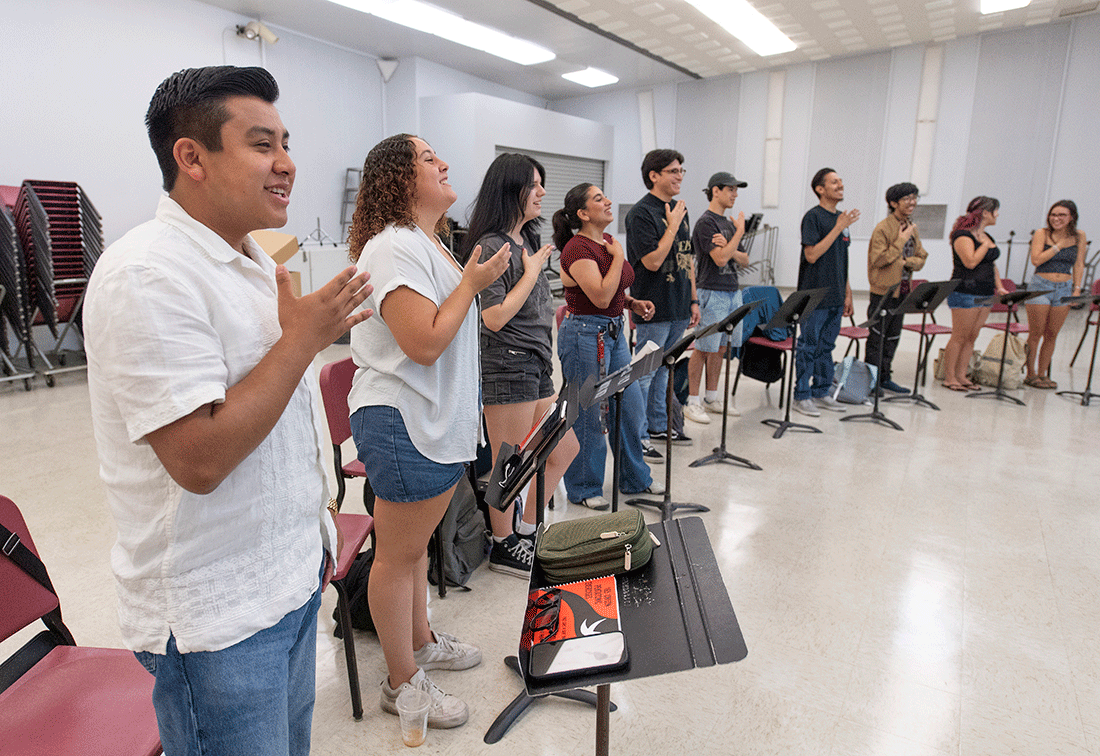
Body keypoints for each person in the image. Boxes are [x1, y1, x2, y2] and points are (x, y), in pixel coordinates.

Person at [83, 66, 373, 756]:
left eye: (286, 143)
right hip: (221, 617)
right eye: (262, 145)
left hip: (290, 577)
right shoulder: (147, 273)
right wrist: (303, 340)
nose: (287, 164)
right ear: (192, 157)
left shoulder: (252, 262)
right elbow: (200, 460)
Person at [345, 134, 510, 727]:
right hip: (403, 418)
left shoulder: (427, 242)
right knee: (396, 557)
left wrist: (469, 282)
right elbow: (423, 342)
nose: (443, 163)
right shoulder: (393, 247)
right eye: (427, 158)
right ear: (399, 177)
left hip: (428, 417)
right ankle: (401, 682)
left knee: (413, 552)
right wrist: (471, 285)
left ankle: (419, 642)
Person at [459, 153, 578, 576]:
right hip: (508, 364)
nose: (542, 192)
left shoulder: (525, 239)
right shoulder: (493, 245)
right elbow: (493, 317)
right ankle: (504, 543)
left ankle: (525, 529)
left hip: (535, 363)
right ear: (511, 190)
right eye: (534, 184)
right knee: (508, 462)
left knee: (563, 448)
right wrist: (531, 273)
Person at [554, 183, 662, 511]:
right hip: (585, 335)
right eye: (599, 199)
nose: (608, 201)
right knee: (588, 412)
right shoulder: (577, 248)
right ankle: (584, 486)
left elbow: (611, 292)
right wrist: (619, 258)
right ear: (583, 213)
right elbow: (599, 296)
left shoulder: (608, 242)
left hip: (613, 331)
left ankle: (634, 477)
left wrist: (630, 303)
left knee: (629, 407)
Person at [625, 149, 700, 450]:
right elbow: (653, 261)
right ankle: (638, 435)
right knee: (645, 374)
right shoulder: (641, 213)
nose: (679, 176)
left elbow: (686, 258)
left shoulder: (680, 210)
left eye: (682, 170)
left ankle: (657, 425)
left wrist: (693, 300)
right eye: (673, 171)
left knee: (665, 369)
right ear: (654, 175)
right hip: (652, 306)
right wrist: (672, 226)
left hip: (679, 305)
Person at [684, 171, 750, 425]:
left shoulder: (729, 224)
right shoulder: (706, 223)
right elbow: (720, 259)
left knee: (721, 348)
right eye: (731, 189)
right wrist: (738, 235)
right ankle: (692, 401)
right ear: (716, 191)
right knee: (703, 348)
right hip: (711, 292)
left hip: (732, 292)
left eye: (736, 190)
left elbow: (744, 259)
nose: (735, 195)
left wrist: (730, 243)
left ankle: (711, 398)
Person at [793, 167, 858, 417]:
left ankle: (821, 391)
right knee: (808, 346)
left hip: (836, 294)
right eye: (834, 182)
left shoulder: (842, 219)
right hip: (814, 296)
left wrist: (847, 293)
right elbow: (811, 255)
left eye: (840, 181)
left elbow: (843, 259)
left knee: (827, 346)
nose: (840, 185)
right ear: (820, 189)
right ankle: (802, 395)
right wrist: (838, 227)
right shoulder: (813, 217)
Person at [866, 182, 928, 394]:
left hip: (903, 291)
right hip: (883, 291)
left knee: (893, 337)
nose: (912, 202)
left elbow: (921, 257)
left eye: (914, 197)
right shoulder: (883, 228)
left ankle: (885, 378)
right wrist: (900, 241)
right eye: (907, 198)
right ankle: (871, 382)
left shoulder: (912, 227)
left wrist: (905, 262)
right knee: (877, 338)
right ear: (893, 203)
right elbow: (879, 259)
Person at [941, 196, 1008, 391]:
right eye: (995, 211)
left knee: (972, 336)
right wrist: (985, 245)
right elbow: (970, 262)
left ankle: (962, 375)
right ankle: (949, 377)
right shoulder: (963, 235)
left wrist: (999, 286)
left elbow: (991, 265)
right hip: (965, 291)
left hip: (986, 291)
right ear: (985, 213)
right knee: (960, 336)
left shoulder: (987, 236)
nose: (997, 215)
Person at [1024, 200, 1087, 389]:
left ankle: (1043, 373)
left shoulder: (1079, 236)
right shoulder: (1041, 233)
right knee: (1036, 332)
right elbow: (1036, 260)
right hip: (1041, 285)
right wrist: (1059, 246)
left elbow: (1079, 263)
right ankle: (1030, 373)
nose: (1056, 218)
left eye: (1062, 215)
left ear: (1071, 217)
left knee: (1052, 334)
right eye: (1053, 214)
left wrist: (1077, 289)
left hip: (1065, 287)